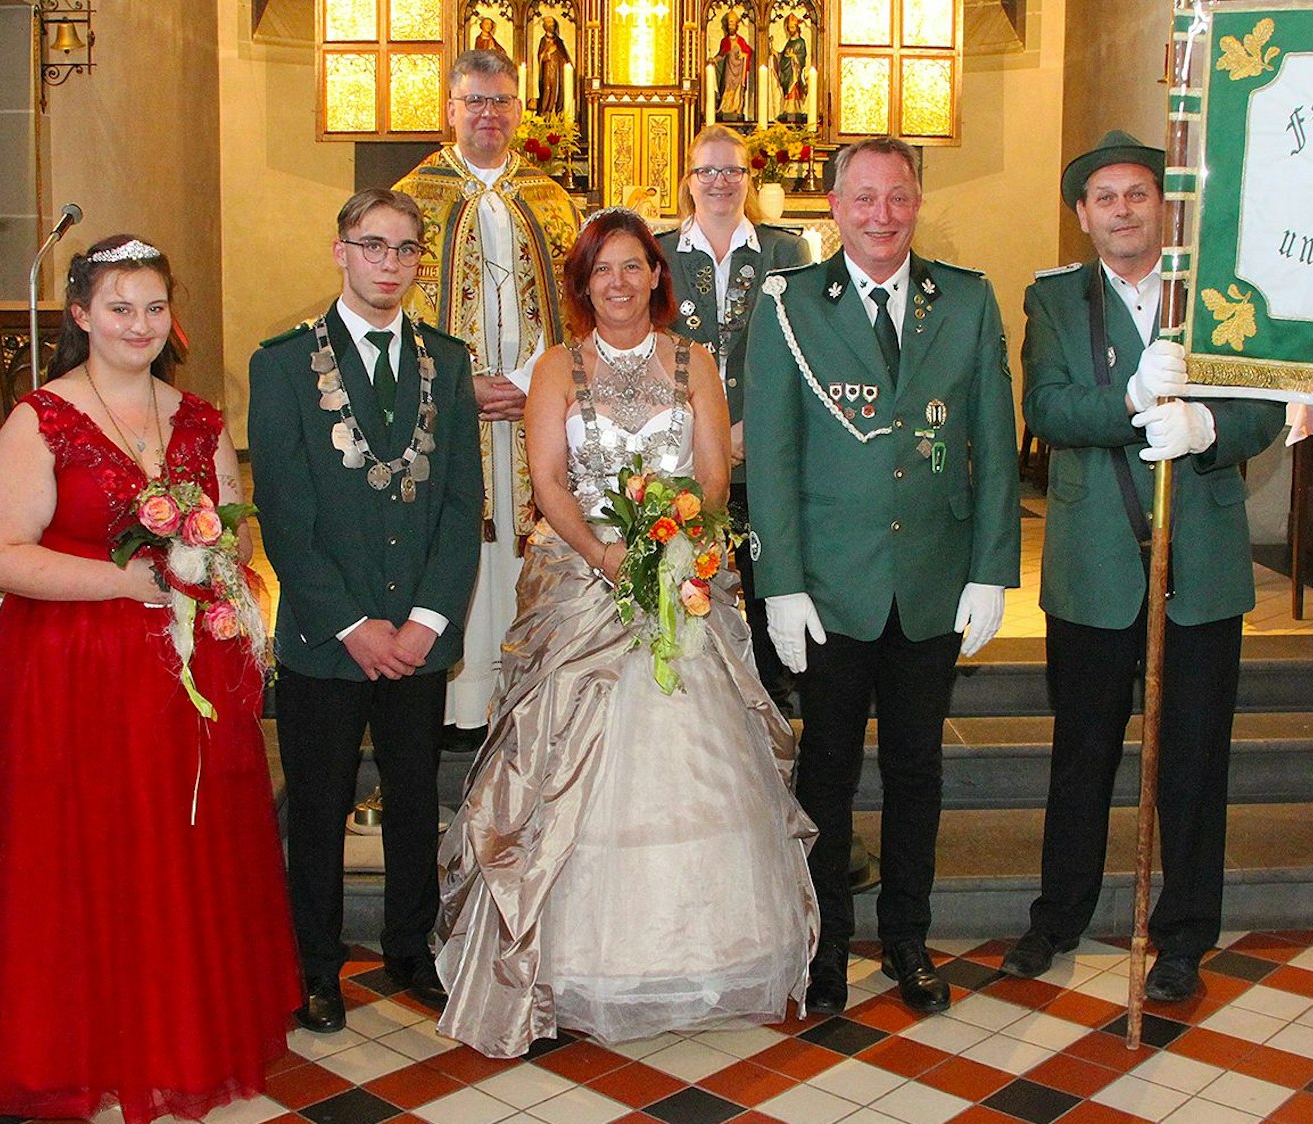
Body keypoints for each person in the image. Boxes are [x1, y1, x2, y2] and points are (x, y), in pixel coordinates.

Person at [434, 209, 819, 1058]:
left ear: (655, 276)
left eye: (631, 267)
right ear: (583, 284)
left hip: (683, 580)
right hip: (584, 582)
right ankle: (574, 960)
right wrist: (608, 555)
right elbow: (546, 479)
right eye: (600, 269)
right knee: (571, 762)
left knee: (701, 759)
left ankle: (710, 954)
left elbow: (713, 476)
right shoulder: (556, 368)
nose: (616, 282)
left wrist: (672, 548)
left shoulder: (696, 362)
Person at [0, 234, 298, 1123]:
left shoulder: (195, 419)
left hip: (182, 672)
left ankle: (177, 1037)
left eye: (154, 307)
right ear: (81, 316)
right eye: (119, 307)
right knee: (89, 857)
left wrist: (231, 588)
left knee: (178, 854)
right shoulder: (41, 419)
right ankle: (80, 1044)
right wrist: (127, 580)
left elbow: (228, 536)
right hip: (69, 676)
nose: (139, 324)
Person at [1000, 131, 1284, 1003]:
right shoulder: (1052, 303)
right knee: (1080, 754)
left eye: (1137, 194)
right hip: (1092, 568)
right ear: (1081, 216)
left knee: (1194, 760)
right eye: (1104, 197)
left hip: (1198, 567)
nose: (1122, 209)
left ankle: (1185, 933)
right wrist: (1128, 400)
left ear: (1162, 206)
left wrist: (1207, 429)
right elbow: (1045, 404)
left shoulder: (1222, 296)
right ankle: (1060, 916)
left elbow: (1264, 404)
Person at [745, 138, 1021, 1015]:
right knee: (824, 772)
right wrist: (779, 581)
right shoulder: (790, 304)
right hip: (831, 587)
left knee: (915, 768)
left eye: (897, 198)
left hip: (931, 582)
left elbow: (993, 441)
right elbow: (775, 455)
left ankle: (907, 938)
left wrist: (990, 570)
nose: (880, 215)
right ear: (833, 206)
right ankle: (823, 950)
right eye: (862, 198)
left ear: (916, 202)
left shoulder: (967, 301)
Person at [248, 190, 484, 1026]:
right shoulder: (281, 364)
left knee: (415, 797)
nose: (390, 264)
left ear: (420, 263)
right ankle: (314, 965)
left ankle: (409, 949)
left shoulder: (445, 363)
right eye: (373, 246)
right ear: (340, 250)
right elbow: (284, 511)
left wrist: (427, 619)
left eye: (405, 250)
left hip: (416, 637)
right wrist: (355, 624)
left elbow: (461, 507)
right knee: (316, 802)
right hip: (326, 637)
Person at [394, 50, 581, 747]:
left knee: (528, 538)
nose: (488, 114)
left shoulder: (551, 199)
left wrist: (538, 385)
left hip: (534, 405)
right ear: (449, 108)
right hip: (452, 410)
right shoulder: (414, 199)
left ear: (519, 110)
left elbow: (575, 302)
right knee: (463, 542)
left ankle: (531, 691)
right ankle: (464, 703)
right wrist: (457, 384)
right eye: (474, 100)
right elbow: (395, 311)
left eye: (502, 100)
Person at [656, 124, 811, 708]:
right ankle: (699, 704)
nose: (720, 182)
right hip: (684, 451)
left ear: (748, 179)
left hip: (762, 449)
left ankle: (772, 700)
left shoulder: (784, 251)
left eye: (732, 170)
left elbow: (801, 353)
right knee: (690, 584)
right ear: (688, 182)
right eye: (707, 171)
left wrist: (753, 428)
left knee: (768, 584)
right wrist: (708, 433)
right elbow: (648, 350)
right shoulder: (662, 253)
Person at [710, 10, 752, 122]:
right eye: (729, 24)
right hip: (728, 70)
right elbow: (721, 55)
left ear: (737, 26)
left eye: (733, 24)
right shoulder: (724, 41)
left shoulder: (740, 40)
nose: (731, 26)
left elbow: (748, 53)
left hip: (738, 72)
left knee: (737, 90)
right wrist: (714, 60)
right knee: (727, 85)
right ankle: (725, 107)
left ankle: (736, 108)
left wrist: (743, 55)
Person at [774, 14, 809, 123]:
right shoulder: (789, 42)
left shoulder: (800, 42)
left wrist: (794, 57)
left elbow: (802, 57)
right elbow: (783, 57)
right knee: (787, 90)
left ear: (797, 28)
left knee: (794, 89)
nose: (790, 30)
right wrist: (776, 54)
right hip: (787, 72)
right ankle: (787, 109)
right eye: (789, 28)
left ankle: (794, 109)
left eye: (793, 27)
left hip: (794, 72)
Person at [535, 16, 571, 116]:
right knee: (546, 89)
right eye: (548, 23)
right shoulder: (543, 40)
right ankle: (544, 111)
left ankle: (554, 111)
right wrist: (547, 54)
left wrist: (559, 56)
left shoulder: (558, 41)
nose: (551, 25)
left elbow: (564, 58)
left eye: (552, 23)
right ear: (544, 26)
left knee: (556, 90)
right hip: (547, 69)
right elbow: (540, 56)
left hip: (557, 71)